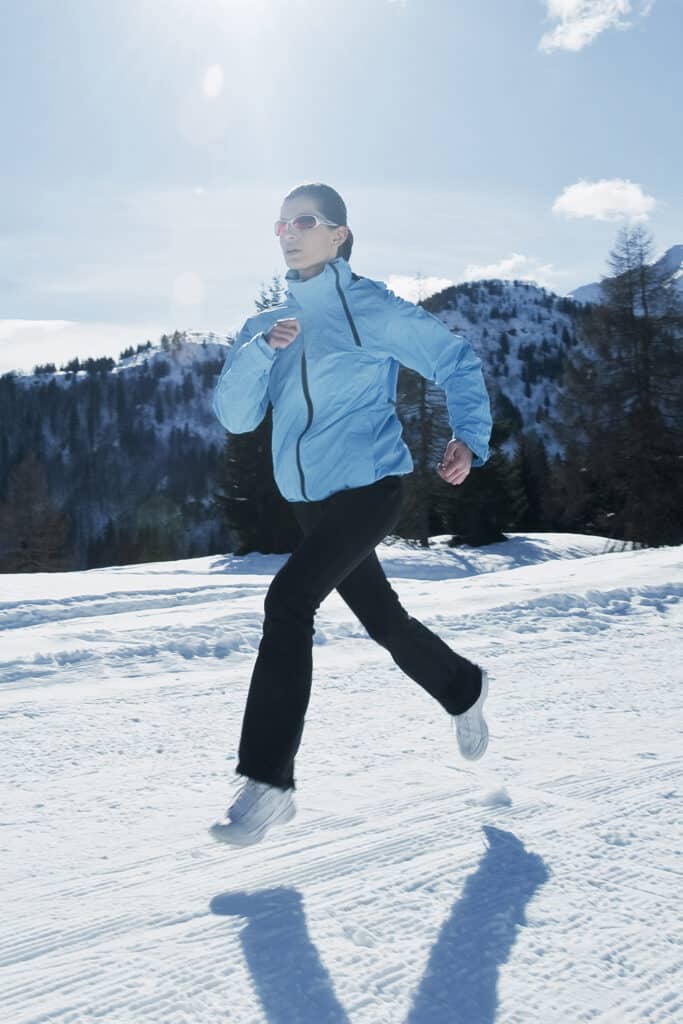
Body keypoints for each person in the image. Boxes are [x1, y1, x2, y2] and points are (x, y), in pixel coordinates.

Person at [209, 182, 493, 846]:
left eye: (303, 220)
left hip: (371, 486)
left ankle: (269, 782)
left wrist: (467, 436)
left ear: (338, 235)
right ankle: (462, 686)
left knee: (289, 601)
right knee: (383, 618)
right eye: (280, 223)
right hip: (308, 500)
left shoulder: (368, 307)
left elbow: (454, 361)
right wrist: (260, 354)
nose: (288, 231)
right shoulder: (266, 326)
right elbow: (236, 415)